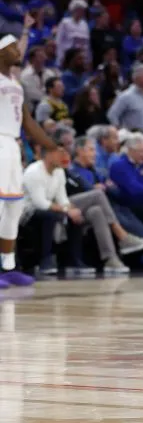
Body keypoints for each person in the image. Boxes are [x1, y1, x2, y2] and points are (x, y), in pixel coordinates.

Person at [0, 16, 66, 286]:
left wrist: (53, 146)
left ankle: (8, 266)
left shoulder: (15, 83)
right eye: (13, 47)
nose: (19, 51)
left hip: (13, 144)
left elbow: (28, 123)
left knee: (14, 206)